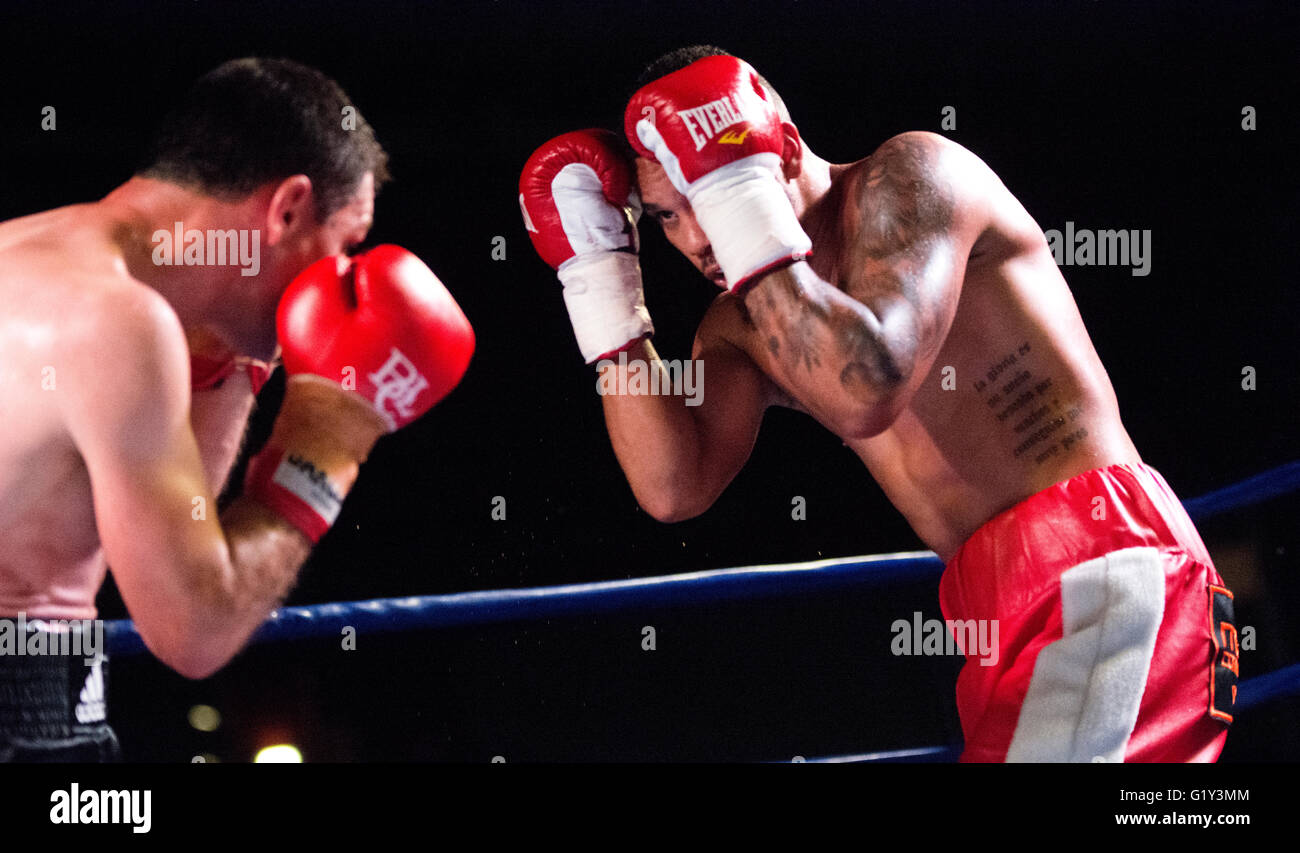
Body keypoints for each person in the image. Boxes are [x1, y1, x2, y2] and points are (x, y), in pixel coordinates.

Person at [520, 46, 1237, 762]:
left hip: (1105, 567)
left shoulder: (911, 178)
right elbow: (672, 485)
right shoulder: (745, 321)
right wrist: (601, 282)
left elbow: (867, 387)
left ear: (784, 146)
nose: (698, 237)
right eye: (668, 216)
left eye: (707, 193)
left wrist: (739, 203)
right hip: (994, 613)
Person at [0, 58, 475, 761]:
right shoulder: (118, 324)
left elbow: (184, 535)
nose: (341, 274)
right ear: (287, 207)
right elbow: (194, 628)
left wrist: (239, 353)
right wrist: (333, 432)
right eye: (345, 243)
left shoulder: (34, 256)